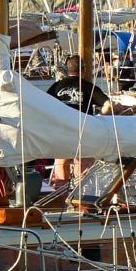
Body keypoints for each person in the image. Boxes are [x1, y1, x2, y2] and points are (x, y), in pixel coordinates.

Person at [46, 54, 112, 187]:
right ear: (83, 69)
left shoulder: (56, 87)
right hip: (84, 133)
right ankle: (79, 202)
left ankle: (61, 202)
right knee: (83, 174)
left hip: (62, 134)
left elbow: (44, 106)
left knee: (61, 173)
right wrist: (97, 119)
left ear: (68, 69)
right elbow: (108, 105)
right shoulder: (88, 87)